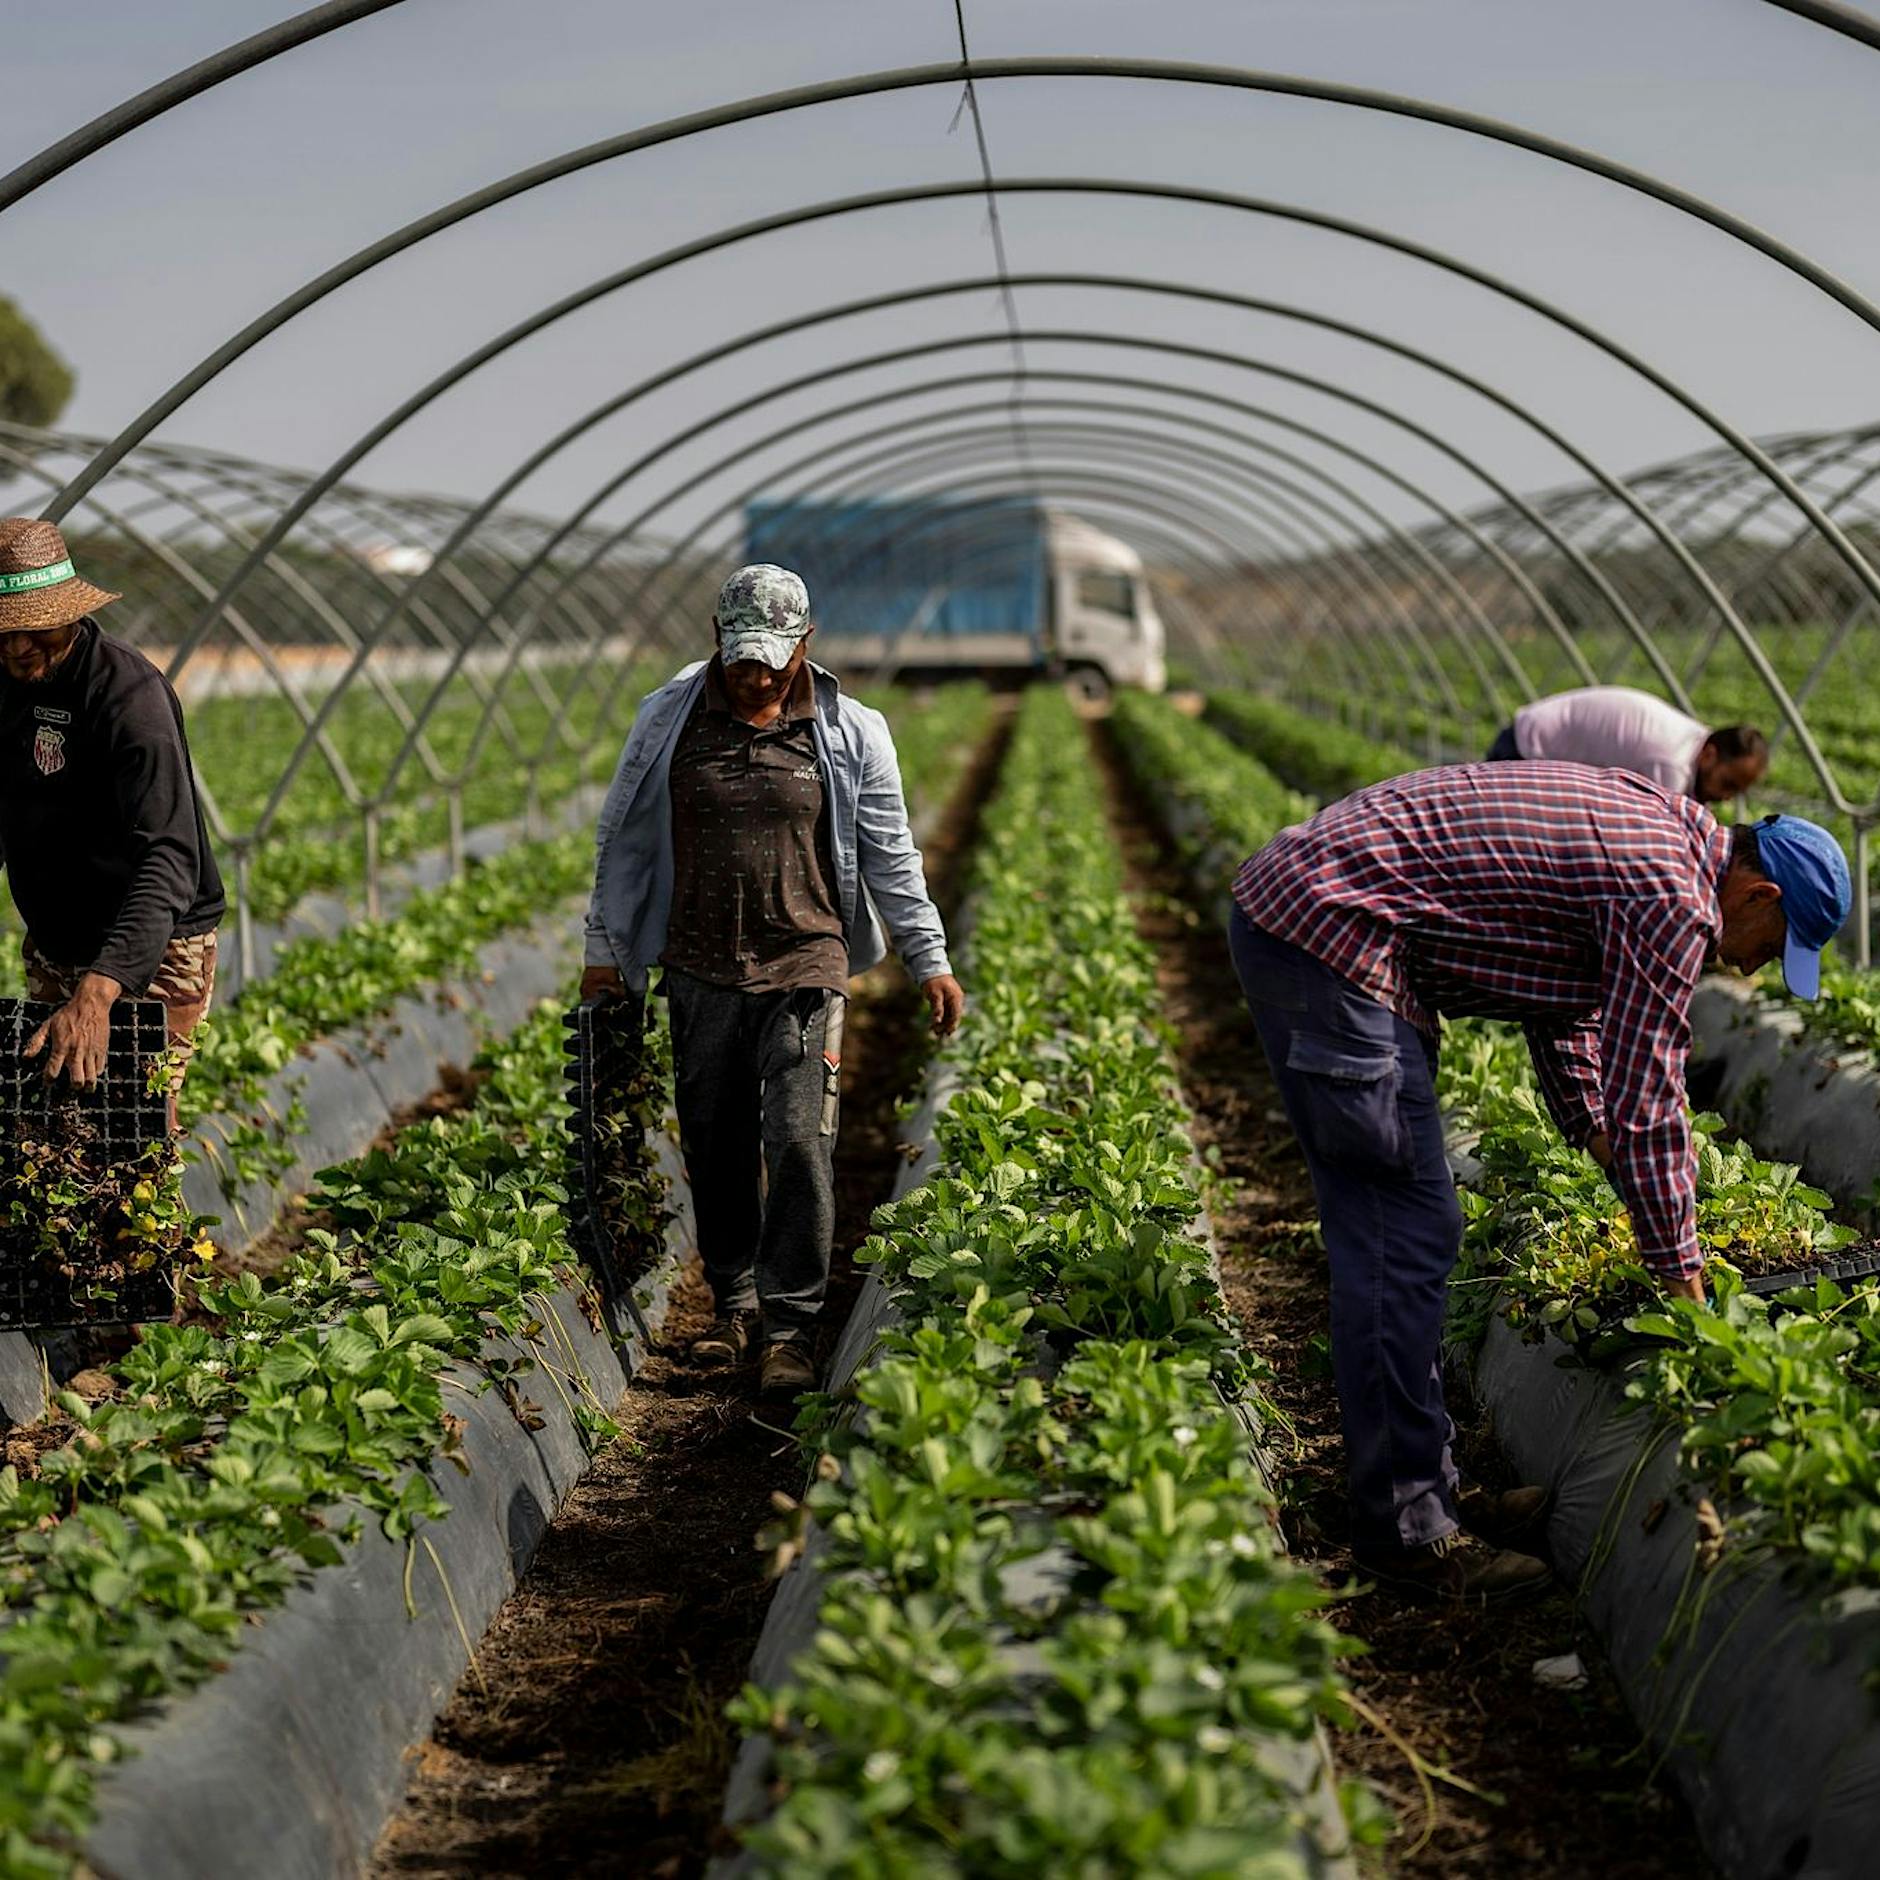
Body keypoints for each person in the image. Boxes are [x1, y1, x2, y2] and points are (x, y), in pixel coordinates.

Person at [1229, 759, 1849, 1603]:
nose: (1749, 973)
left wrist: (1596, 1135)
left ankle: (1426, 1490)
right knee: (1401, 1234)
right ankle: (1406, 1532)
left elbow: (1561, 998)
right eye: (1769, 953)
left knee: (1410, 1227)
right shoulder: (1672, 898)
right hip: (1332, 938)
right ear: (1757, 899)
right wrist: (1681, 1272)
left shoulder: (1665, 834)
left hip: (1331, 926)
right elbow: (1651, 1098)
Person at [582, 563, 966, 1396]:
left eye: (770, 657)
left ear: (805, 645)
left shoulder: (849, 730)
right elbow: (625, 845)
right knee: (715, 1140)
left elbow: (892, 851)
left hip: (806, 963)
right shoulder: (670, 719)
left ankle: (789, 1328)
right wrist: (603, 950)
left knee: (797, 1142)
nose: (753, 674)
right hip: (698, 964)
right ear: (715, 638)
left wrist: (926, 955)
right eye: (739, 655)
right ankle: (734, 1304)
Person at [0, 519, 224, 1127]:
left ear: (69, 613)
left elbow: (170, 856)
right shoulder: (5, 685)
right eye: (2, 631)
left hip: (155, 940)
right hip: (57, 933)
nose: (18, 646)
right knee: (50, 1125)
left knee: (133, 1125)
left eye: (33, 627)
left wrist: (100, 992)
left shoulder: (129, 698)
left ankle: (151, 1222)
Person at [1485, 685, 1767, 804]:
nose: (1728, 797)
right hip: (1526, 749)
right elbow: (1664, 835)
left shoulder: (1694, 741)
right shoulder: (1671, 764)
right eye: (1728, 783)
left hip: (1534, 737)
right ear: (1709, 755)